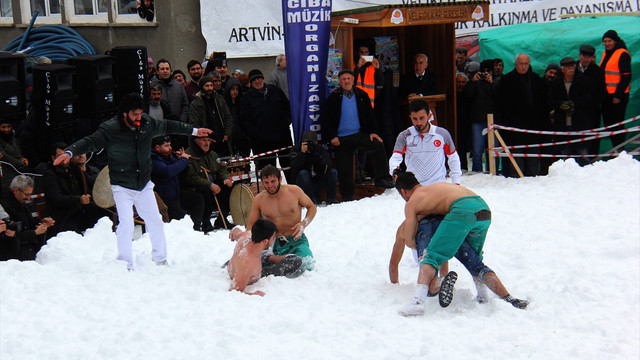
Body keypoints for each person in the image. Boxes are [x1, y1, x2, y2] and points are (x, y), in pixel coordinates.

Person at [53, 94, 213, 270]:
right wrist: (69, 152)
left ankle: (160, 258)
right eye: (135, 114)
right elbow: (90, 141)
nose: (139, 117)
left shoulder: (146, 124)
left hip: (143, 183)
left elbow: (169, 125)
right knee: (127, 223)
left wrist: (195, 131)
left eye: (140, 113)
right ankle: (125, 262)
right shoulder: (110, 129)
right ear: (124, 114)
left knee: (156, 221)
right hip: (122, 185)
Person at [394, 172, 529, 316]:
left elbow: (409, 240)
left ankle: (417, 302)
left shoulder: (412, 202)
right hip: (483, 209)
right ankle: (500, 298)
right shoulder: (434, 188)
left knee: (431, 256)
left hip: (462, 211)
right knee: (475, 262)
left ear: (403, 191)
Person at [321, 69, 394, 201]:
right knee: (345, 169)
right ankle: (347, 195)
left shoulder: (362, 95)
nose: (346, 81)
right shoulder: (333, 98)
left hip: (360, 134)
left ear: (353, 80)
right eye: (343, 79)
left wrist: (372, 132)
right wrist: (332, 136)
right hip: (341, 138)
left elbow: (370, 116)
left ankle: (382, 178)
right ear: (340, 81)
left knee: (378, 146)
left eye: (349, 78)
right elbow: (327, 119)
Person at [247, 165, 316, 271]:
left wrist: (303, 223)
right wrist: (250, 244)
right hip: (271, 243)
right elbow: (251, 225)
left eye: (273, 181)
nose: (270, 185)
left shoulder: (294, 191)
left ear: (280, 179)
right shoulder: (259, 199)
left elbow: (312, 207)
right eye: (266, 182)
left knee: (307, 265)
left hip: (296, 239)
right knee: (253, 266)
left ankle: (279, 267)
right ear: (262, 182)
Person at [43, 142, 110, 235]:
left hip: (80, 211)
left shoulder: (74, 170)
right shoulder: (50, 175)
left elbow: (89, 187)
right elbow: (56, 198)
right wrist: (79, 199)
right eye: (60, 156)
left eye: (65, 155)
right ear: (53, 158)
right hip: (64, 216)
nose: (64, 159)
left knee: (105, 214)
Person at [240, 69, 293, 183]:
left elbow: (288, 109)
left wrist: (284, 123)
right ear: (250, 83)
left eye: (259, 78)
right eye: (254, 80)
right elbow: (245, 120)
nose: (257, 81)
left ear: (263, 79)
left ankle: (293, 193)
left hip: (283, 138)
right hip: (262, 143)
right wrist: (256, 133)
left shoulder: (275, 91)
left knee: (290, 168)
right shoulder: (247, 98)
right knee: (267, 174)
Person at [497, 53, 545, 177]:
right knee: (517, 157)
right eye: (521, 64)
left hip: (533, 126)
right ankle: (516, 177)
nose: (524, 67)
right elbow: (503, 103)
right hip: (514, 126)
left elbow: (540, 101)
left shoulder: (535, 78)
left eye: (526, 64)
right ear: (516, 64)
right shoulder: (507, 79)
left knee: (533, 156)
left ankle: (533, 176)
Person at [227, 219, 304, 296]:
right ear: (265, 241)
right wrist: (253, 294)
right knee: (295, 261)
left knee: (295, 260)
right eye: (273, 237)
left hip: (251, 256)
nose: (274, 239)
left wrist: (233, 230)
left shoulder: (246, 236)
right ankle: (269, 258)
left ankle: (269, 257)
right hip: (253, 271)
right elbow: (234, 291)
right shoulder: (248, 264)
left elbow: (236, 230)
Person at [150, 136, 204, 230]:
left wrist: (180, 159)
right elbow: (169, 171)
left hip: (176, 194)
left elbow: (181, 168)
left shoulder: (168, 156)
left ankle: (196, 229)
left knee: (197, 199)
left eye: (170, 145)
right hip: (165, 199)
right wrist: (183, 160)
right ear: (158, 147)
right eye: (166, 146)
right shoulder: (153, 159)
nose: (170, 148)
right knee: (181, 218)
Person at [182, 134, 234, 232]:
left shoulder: (213, 154)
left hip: (212, 184)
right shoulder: (189, 155)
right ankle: (206, 221)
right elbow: (191, 177)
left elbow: (221, 169)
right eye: (203, 140)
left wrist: (226, 178)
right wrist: (209, 184)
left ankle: (222, 219)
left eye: (208, 140)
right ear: (195, 141)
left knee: (227, 187)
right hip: (196, 187)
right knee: (205, 191)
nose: (207, 143)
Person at [547, 57, 592, 166]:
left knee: (583, 156)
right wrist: (561, 105)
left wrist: (574, 103)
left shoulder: (583, 81)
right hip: (562, 125)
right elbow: (552, 100)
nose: (570, 69)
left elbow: (588, 98)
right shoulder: (556, 83)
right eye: (568, 67)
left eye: (572, 66)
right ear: (562, 69)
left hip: (579, 124)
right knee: (565, 158)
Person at [0, 175, 55, 261]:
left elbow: (28, 221)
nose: (29, 198)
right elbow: (9, 234)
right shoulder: (4, 206)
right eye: (27, 194)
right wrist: (35, 232)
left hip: (28, 250)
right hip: (15, 256)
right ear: (16, 190)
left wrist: (41, 222)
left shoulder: (21, 202)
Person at [599, 29, 632, 149]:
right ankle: (615, 149)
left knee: (617, 125)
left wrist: (618, 95)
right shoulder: (605, 54)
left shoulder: (622, 54)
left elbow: (626, 76)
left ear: (615, 41)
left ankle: (620, 150)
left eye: (609, 41)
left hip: (617, 96)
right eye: (605, 41)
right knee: (609, 125)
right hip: (607, 96)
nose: (607, 43)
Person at [188, 75, 233, 157]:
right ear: (202, 87)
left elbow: (228, 117)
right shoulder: (195, 104)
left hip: (223, 140)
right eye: (207, 86)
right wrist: (206, 138)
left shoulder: (219, 99)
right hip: (206, 142)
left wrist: (227, 133)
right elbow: (194, 123)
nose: (209, 88)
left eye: (211, 85)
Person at [291, 130, 338, 205]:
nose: (309, 145)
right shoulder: (296, 150)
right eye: (307, 143)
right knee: (303, 173)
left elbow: (327, 167)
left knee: (333, 172)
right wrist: (302, 154)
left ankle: (331, 199)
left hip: (317, 181)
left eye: (311, 143)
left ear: (316, 143)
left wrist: (316, 155)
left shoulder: (320, 150)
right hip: (302, 185)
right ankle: (311, 202)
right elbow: (294, 169)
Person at [577, 44, 606, 156]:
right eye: (584, 56)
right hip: (575, 112)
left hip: (591, 112)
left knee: (592, 139)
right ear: (580, 56)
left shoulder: (597, 71)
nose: (586, 59)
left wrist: (592, 103)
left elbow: (602, 92)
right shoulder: (573, 69)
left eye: (588, 57)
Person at [0, 119, 30, 191]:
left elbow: (17, 153)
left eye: (8, 127)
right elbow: (3, 156)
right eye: (3, 127)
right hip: (5, 176)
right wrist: (20, 163)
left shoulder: (14, 139)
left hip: (17, 174)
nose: (6, 129)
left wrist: (22, 159)